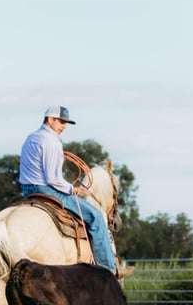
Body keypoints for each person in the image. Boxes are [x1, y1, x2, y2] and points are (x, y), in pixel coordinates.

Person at [19, 105, 133, 278]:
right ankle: (108, 271)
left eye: (66, 123)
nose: (64, 126)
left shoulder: (31, 138)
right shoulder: (52, 141)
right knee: (95, 216)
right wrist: (73, 189)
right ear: (50, 119)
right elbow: (53, 179)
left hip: (28, 189)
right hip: (46, 189)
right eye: (61, 122)